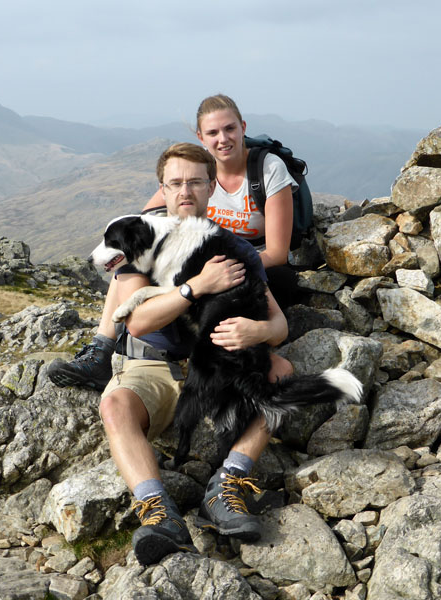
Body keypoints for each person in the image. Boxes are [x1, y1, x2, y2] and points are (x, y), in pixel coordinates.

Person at [98, 142, 287, 565]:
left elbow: (280, 327)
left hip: (218, 364)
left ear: (211, 187)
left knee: (281, 370)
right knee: (114, 406)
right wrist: (197, 287)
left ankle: (228, 485)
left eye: (196, 182)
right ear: (162, 189)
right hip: (155, 366)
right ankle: (159, 511)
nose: (186, 191)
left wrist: (257, 329)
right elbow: (138, 321)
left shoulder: (230, 247)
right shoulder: (140, 242)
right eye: (176, 183)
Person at [47, 94, 296, 391]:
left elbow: (278, 252)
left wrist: (228, 266)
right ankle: (102, 348)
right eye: (213, 133)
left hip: (247, 257)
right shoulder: (192, 174)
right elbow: (145, 220)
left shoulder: (266, 170)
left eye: (230, 129)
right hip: (202, 257)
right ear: (201, 137)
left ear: (243, 127)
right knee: (133, 257)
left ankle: (220, 353)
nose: (223, 139)